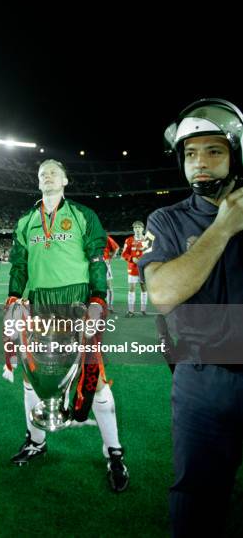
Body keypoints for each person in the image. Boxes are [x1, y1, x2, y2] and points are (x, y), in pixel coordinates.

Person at [139, 98, 243, 536]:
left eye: (213, 151)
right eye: (190, 153)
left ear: (237, 152)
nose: (199, 163)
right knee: (195, 499)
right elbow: (162, 293)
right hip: (202, 377)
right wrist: (223, 227)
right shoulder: (165, 219)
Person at [2, 159, 129, 492]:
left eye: (54, 171)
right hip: (40, 306)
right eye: (42, 172)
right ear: (37, 181)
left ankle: (113, 452)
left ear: (66, 180)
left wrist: (98, 299)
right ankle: (36, 440)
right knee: (32, 376)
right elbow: (18, 265)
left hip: (77, 304)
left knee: (95, 379)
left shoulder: (83, 216)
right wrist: (14, 298)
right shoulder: (26, 221)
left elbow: (96, 260)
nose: (47, 175)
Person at [121, 221, 148, 316]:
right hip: (132, 269)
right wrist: (132, 258)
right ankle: (131, 311)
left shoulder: (147, 240)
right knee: (131, 288)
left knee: (143, 288)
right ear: (133, 229)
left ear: (142, 229)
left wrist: (144, 259)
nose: (137, 229)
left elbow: (152, 253)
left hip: (144, 269)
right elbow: (123, 254)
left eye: (139, 227)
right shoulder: (128, 240)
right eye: (135, 227)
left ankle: (143, 309)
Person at [104, 234, 119, 312]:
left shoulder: (105, 237)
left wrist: (110, 258)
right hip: (93, 264)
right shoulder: (89, 237)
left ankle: (110, 306)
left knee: (108, 285)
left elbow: (116, 248)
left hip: (104, 263)